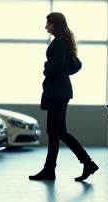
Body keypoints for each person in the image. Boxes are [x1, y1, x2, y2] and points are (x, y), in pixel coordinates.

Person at [29, 12, 99, 181]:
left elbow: (59, 66)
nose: (46, 27)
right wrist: (59, 71)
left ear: (55, 24)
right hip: (60, 91)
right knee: (60, 132)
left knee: (54, 131)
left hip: (57, 92)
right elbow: (74, 65)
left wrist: (47, 68)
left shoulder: (59, 43)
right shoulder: (63, 42)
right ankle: (87, 163)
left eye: (48, 23)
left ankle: (50, 169)